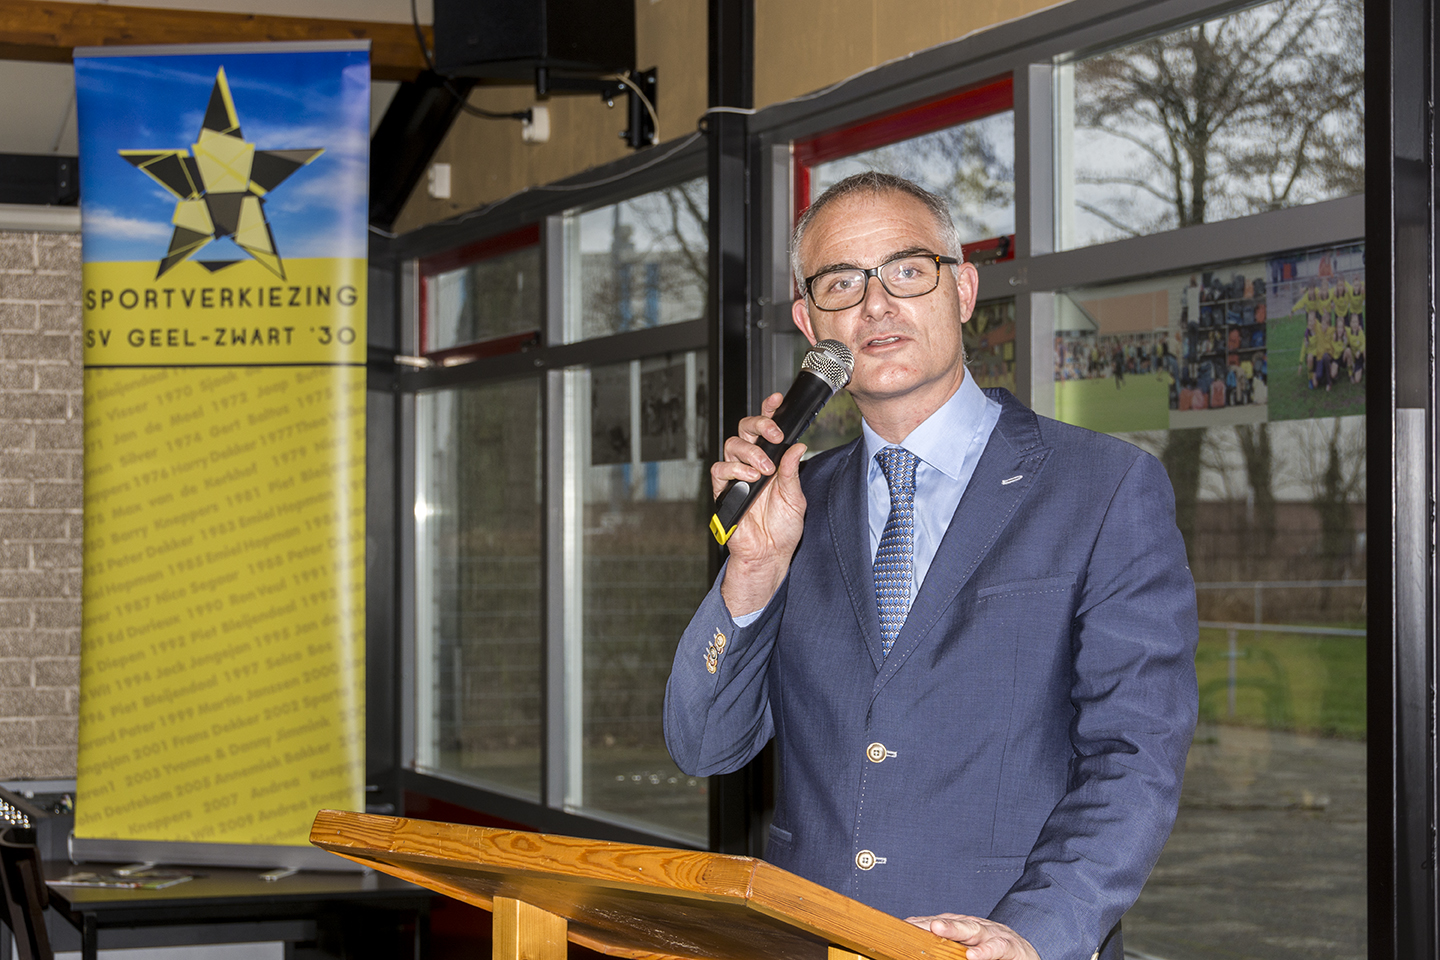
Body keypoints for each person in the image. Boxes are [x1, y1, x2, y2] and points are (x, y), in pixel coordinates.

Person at [663, 173, 1198, 960]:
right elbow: (704, 744)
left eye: (907, 270)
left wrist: (1034, 933)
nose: (876, 305)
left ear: (964, 290)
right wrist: (753, 570)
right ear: (810, 323)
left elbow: (1135, 756)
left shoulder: (1104, 488)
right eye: (841, 283)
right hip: (808, 939)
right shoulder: (791, 507)